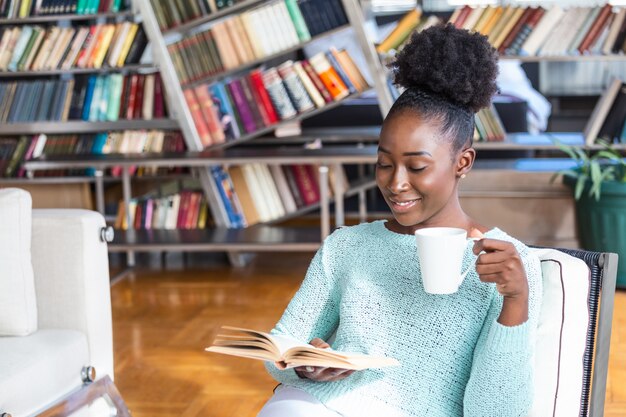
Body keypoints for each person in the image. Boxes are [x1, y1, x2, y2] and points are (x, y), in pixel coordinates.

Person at [257, 23, 542, 417]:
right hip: (315, 406)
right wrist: (304, 364)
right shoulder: (346, 246)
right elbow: (280, 345)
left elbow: (495, 412)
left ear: (463, 163)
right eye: (384, 164)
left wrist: (515, 302)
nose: (396, 183)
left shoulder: (510, 267)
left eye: (417, 166)